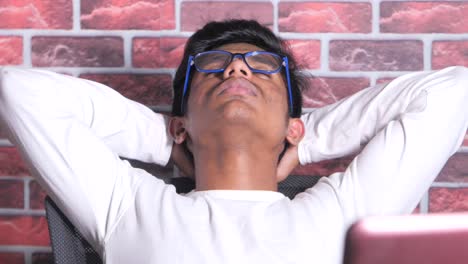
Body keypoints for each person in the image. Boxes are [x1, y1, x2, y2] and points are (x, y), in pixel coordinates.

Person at [0, 19, 467, 264]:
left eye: (262, 67)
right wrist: (165, 139)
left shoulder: (345, 212)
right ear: (182, 121)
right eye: (214, 65)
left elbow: (453, 92)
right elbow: (17, 91)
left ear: (292, 123)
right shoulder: (126, 204)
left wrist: (307, 139)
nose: (237, 68)